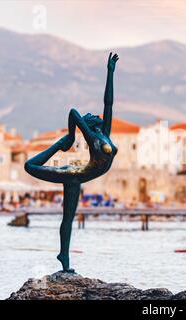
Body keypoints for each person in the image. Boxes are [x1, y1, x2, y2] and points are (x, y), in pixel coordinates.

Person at [24, 53, 119, 272]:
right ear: (88, 123)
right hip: (72, 174)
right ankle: (59, 144)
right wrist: (70, 136)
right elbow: (74, 112)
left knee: (68, 218)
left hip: (79, 176)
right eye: (91, 115)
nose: (96, 114)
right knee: (30, 166)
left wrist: (110, 72)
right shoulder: (91, 136)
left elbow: (109, 103)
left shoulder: (105, 133)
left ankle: (64, 258)